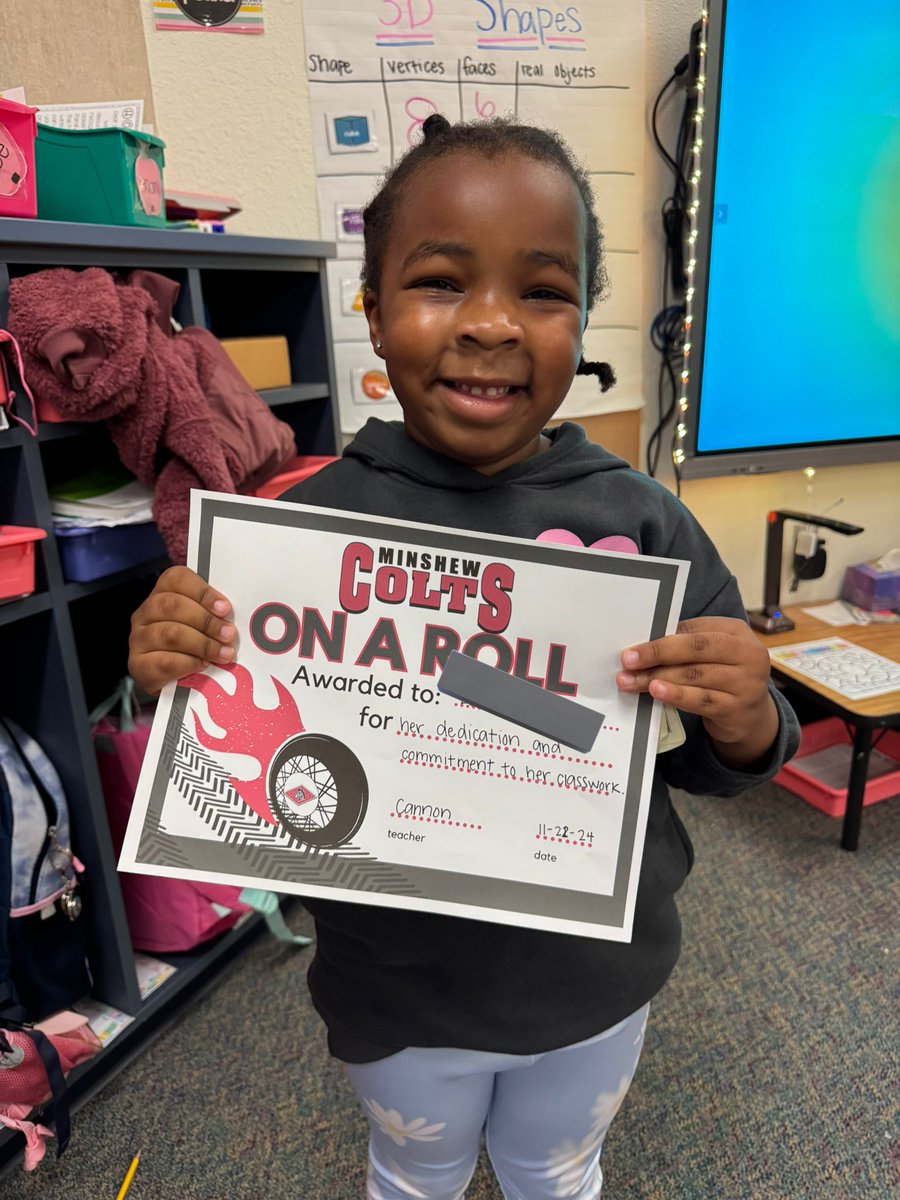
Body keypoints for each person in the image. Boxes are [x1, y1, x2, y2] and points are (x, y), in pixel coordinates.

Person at [128, 115, 799, 1200]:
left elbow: (706, 760)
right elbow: (247, 746)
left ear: (581, 321)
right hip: (397, 987)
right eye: (441, 282)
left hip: (597, 973)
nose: (491, 325)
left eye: (541, 292)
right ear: (374, 313)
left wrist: (745, 710)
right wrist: (174, 663)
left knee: (555, 1168)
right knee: (415, 1171)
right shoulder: (302, 531)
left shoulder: (644, 521)